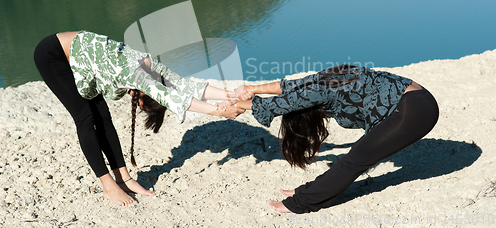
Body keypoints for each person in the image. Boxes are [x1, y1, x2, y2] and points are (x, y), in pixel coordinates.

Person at [34, 30, 244, 206]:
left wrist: (230, 95)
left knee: (104, 117)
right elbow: (173, 98)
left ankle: (123, 179)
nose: (137, 105)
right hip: (53, 55)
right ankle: (108, 186)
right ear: (145, 93)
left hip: (82, 60)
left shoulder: (150, 65)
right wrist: (217, 111)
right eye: (143, 105)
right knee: (85, 117)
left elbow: (186, 86)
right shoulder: (136, 74)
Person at [232, 64, 439, 214]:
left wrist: (239, 106)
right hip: (420, 98)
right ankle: (309, 191)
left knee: (353, 161)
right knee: (357, 156)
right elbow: (292, 86)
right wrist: (252, 89)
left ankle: (299, 203)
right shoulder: (323, 79)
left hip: (412, 112)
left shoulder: (317, 93)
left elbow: (275, 106)